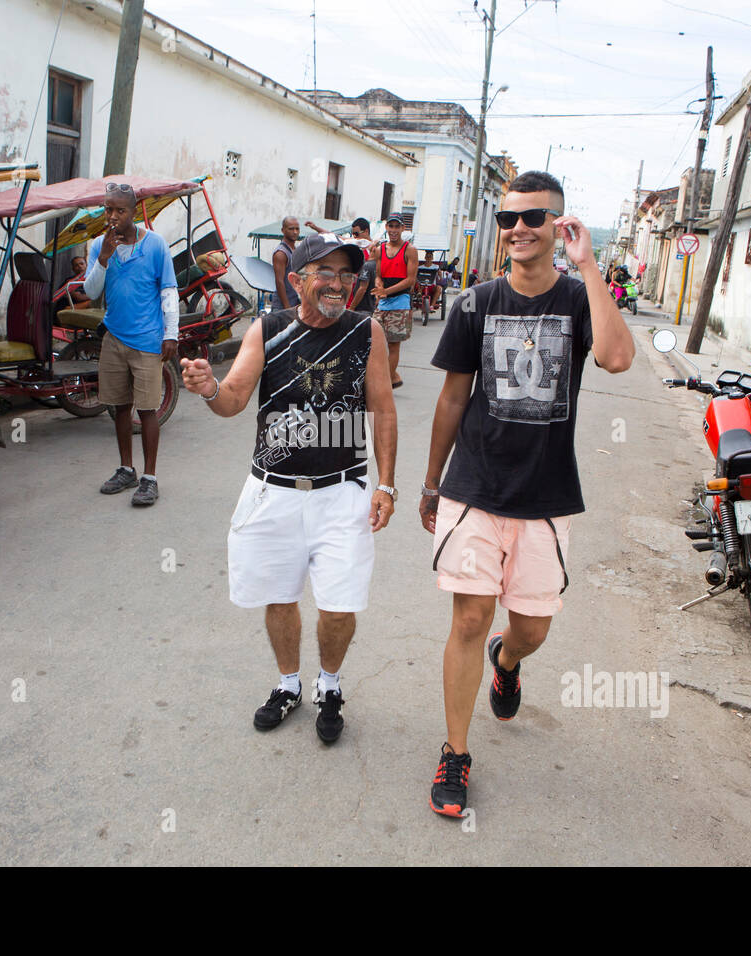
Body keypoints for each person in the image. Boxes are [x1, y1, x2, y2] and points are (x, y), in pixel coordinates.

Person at [419, 170, 635, 816]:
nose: (518, 229)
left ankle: (507, 662)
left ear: (559, 225)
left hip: (545, 492)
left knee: (533, 627)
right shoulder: (474, 303)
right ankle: (455, 752)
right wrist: (432, 481)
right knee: (467, 617)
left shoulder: (576, 300)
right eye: (509, 218)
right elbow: (453, 395)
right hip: (475, 486)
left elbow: (618, 359)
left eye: (534, 218)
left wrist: (589, 266)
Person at [180, 233, 398, 744]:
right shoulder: (268, 329)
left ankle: (329, 684)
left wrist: (386, 484)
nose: (339, 284)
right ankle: (287, 685)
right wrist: (209, 387)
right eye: (326, 273)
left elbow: (383, 410)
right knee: (278, 597)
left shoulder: (368, 333)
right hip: (273, 490)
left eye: (347, 276)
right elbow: (233, 398)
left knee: (339, 606)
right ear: (296, 281)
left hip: (342, 491)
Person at [82, 182, 179, 507]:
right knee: (119, 407)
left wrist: (171, 334)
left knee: (147, 409)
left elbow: (168, 290)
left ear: (133, 212)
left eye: (119, 210)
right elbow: (92, 291)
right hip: (114, 337)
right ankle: (127, 469)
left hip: (148, 341)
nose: (112, 216)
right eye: (108, 209)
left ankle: (149, 478)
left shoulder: (155, 245)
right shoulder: (98, 246)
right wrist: (105, 259)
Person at [371, 215, 418, 389]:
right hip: (383, 303)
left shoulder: (410, 250)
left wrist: (386, 291)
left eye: (396, 227)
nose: (393, 230)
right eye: (390, 226)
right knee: (375, 341)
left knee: (393, 344)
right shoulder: (381, 249)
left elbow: (410, 280)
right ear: (386, 227)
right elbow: (378, 274)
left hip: (400, 302)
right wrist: (379, 285)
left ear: (402, 228)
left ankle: (385, 382)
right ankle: (392, 376)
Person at [270, 217, 326, 312]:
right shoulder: (281, 253)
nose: (295, 232)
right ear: (283, 230)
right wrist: (287, 308)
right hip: (282, 306)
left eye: (297, 229)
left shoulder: (295, 250)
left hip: (294, 302)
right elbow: (279, 282)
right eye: (291, 229)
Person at [347, 217, 378, 314]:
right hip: (352, 298)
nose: (355, 237)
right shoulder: (356, 247)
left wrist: (352, 307)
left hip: (364, 304)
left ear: (366, 231)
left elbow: (363, 287)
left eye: (356, 234)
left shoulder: (375, 250)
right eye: (353, 234)